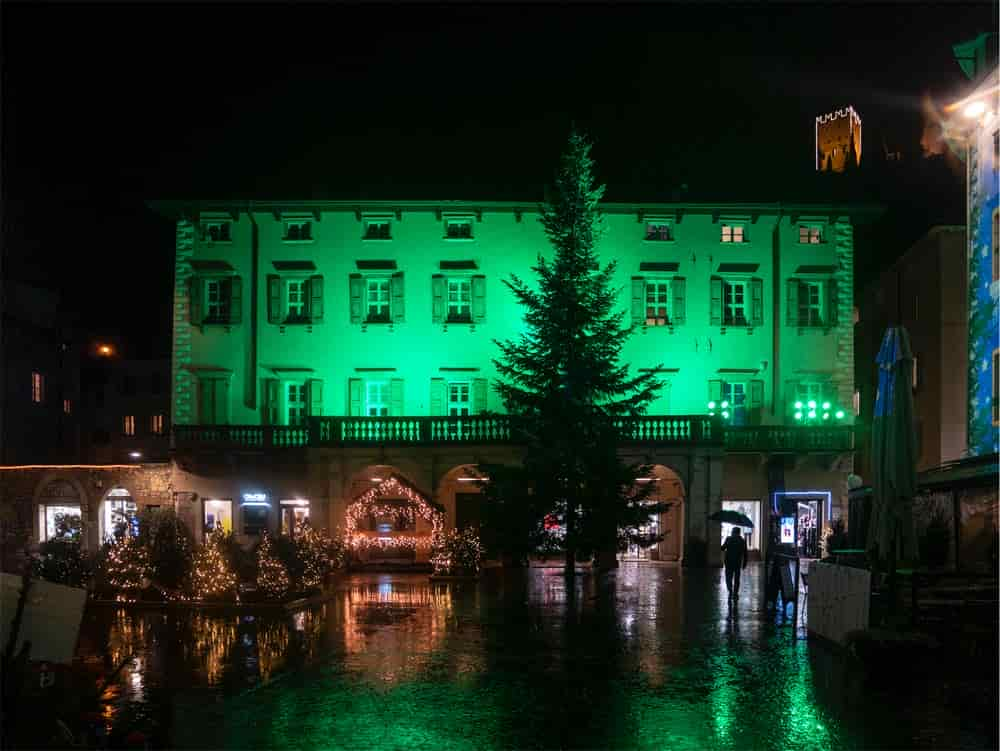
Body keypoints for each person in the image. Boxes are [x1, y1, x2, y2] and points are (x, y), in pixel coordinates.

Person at [722, 527, 748, 599]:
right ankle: (735, 593)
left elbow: (722, 548)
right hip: (737, 563)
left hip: (728, 562)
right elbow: (745, 553)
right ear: (739, 532)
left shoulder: (728, 539)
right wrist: (744, 563)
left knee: (728, 578)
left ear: (733, 532)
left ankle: (730, 590)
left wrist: (724, 544)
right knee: (737, 578)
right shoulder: (742, 541)